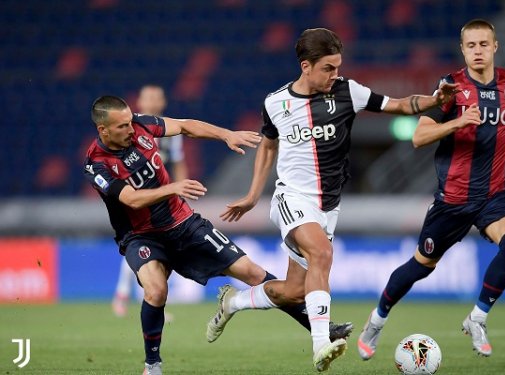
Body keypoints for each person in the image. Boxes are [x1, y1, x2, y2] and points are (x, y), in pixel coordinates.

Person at [208, 28, 458, 372]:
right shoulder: (276, 102)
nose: (335, 75)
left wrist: (435, 100)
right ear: (306, 66)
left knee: (295, 291)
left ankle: (233, 301)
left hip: (328, 206)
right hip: (292, 198)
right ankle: (321, 345)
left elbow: (398, 105)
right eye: (328, 68)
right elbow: (268, 144)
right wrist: (253, 194)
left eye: (338, 67)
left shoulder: (348, 92)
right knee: (322, 253)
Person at [84, 95, 352, 375]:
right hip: (142, 236)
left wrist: (227, 135)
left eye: (130, 122)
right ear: (103, 130)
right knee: (156, 290)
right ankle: (152, 365)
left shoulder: (142, 125)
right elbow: (132, 199)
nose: (130, 128)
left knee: (253, 272)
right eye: (122, 126)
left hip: (184, 224)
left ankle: (322, 329)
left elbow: (186, 126)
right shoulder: (96, 164)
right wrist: (172, 188)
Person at [357, 19, 505, 360]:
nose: (478, 50)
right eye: (471, 45)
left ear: (495, 47)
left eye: (483, 44)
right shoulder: (450, 88)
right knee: (421, 265)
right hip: (453, 199)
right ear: (463, 50)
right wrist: (458, 121)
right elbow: (418, 137)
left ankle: (478, 317)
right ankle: (376, 320)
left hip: (495, 193)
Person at [112, 85, 188, 318]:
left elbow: (178, 162)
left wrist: (181, 191)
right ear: (140, 102)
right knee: (143, 245)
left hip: (161, 198)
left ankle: (127, 296)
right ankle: (136, 297)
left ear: (163, 102)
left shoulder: (169, 131)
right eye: (149, 98)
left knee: (149, 248)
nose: (153, 102)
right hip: (136, 198)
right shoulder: (129, 131)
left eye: (157, 97)